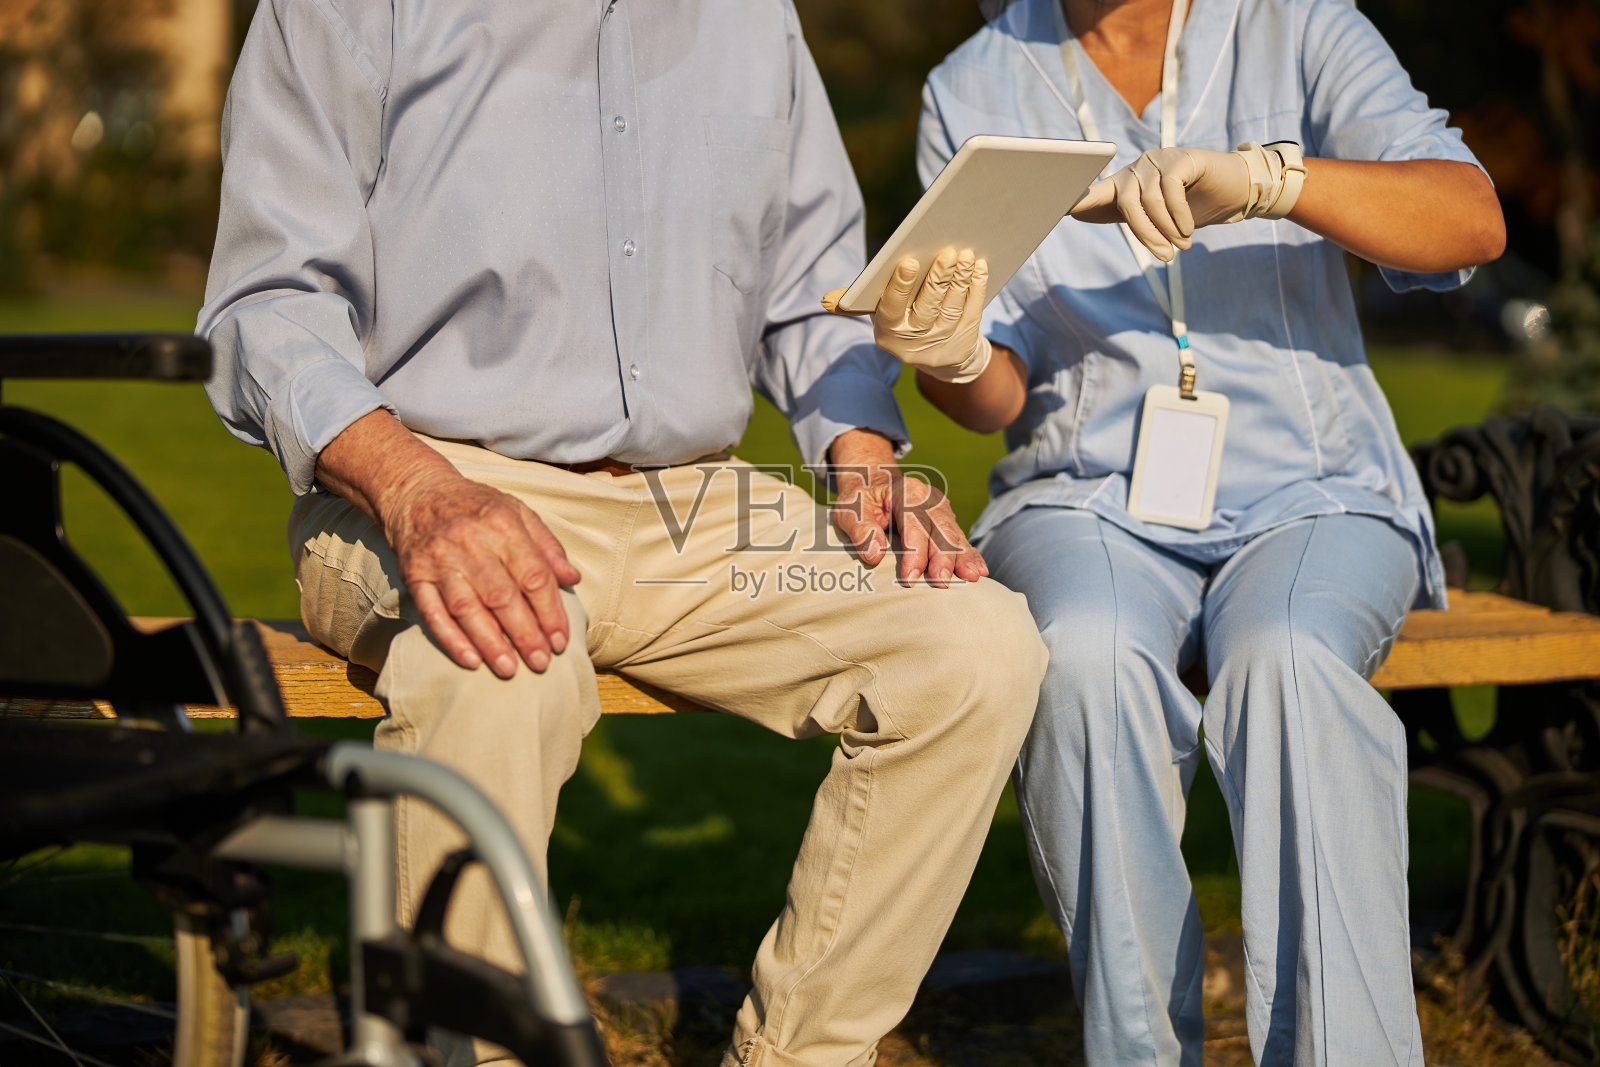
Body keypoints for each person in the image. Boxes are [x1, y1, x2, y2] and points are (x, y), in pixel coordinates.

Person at [196, 2, 1050, 1065]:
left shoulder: (753, 20)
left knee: (975, 647)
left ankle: (803, 1053)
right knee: (504, 662)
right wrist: (415, 488)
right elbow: (265, 301)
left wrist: (864, 448)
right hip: (420, 480)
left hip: (691, 500)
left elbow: (809, 288)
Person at [871, 0, 1506, 1062]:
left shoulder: (1301, 26)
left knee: (1290, 659)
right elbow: (996, 391)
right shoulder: (969, 87)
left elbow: (1469, 221)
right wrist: (943, 353)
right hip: (1085, 495)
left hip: (1316, 487)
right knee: (1080, 660)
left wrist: (1270, 180)